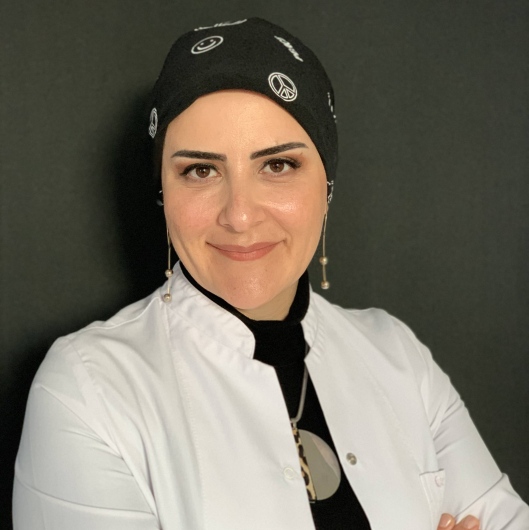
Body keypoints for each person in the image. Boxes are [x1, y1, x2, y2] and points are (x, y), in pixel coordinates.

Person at [12, 17, 529, 530]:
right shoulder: (87, 390)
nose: (239, 215)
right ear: (163, 192)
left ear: (326, 186)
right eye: (200, 170)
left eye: (277, 165)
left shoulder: (397, 355)